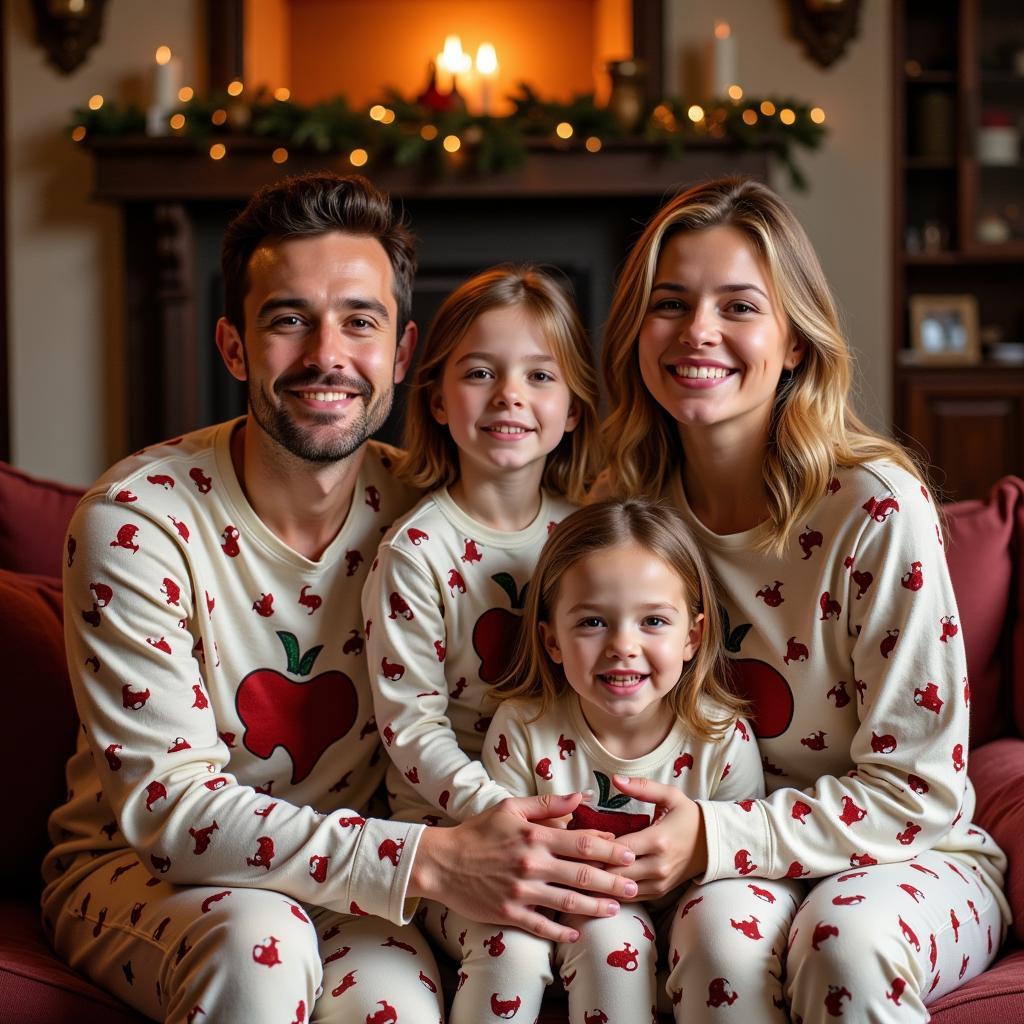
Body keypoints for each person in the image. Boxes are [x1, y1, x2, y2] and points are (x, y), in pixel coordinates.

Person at [41, 172, 637, 1024]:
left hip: (361, 886)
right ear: (234, 347)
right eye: (289, 320)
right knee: (260, 947)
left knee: (397, 1008)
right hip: (154, 875)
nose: (327, 354)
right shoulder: (138, 521)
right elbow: (170, 811)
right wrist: (430, 860)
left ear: (400, 355)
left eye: (359, 322)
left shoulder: (432, 517)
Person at [597, 176, 1009, 1022]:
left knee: (844, 943)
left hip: (906, 859)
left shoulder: (875, 507)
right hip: (721, 874)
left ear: (793, 342)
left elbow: (920, 791)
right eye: (669, 304)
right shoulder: (619, 514)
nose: (698, 332)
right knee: (717, 940)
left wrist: (714, 838)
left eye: (739, 306)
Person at [448, 498, 762, 1023]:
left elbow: (739, 868)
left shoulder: (721, 736)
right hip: (570, 918)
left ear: (693, 637)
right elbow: (509, 857)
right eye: (593, 621)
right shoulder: (524, 729)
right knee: (607, 936)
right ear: (551, 640)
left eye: (653, 621)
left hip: (686, 917)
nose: (623, 645)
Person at [362, 264, 600, 829]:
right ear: (439, 402)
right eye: (479, 373)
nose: (509, 395)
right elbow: (412, 726)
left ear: (571, 411)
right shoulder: (415, 553)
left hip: (564, 807)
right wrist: (500, 811)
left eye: (540, 377)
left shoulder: (588, 538)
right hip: (455, 824)